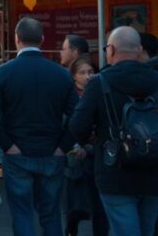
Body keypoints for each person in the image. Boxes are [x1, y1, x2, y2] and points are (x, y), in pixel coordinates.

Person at [0, 17, 78, 236]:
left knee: (22, 213)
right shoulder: (61, 74)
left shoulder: (3, 72)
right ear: (42, 39)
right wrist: (63, 146)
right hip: (52, 152)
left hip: (17, 153)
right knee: (51, 213)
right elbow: (77, 115)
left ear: (16, 39)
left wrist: (7, 145)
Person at [70, 27, 158, 236]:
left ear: (110, 50)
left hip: (114, 168)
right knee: (148, 228)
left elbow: (77, 126)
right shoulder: (155, 79)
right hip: (154, 169)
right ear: (138, 50)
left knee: (124, 229)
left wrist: (92, 140)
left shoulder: (100, 82)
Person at [64, 57, 108, 236]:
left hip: (95, 153)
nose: (88, 76)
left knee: (99, 205)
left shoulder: (101, 93)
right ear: (74, 76)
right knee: (75, 202)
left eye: (91, 72)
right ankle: (71, 227)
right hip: (74, 155)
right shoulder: (69, 95)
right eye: (82, 72)